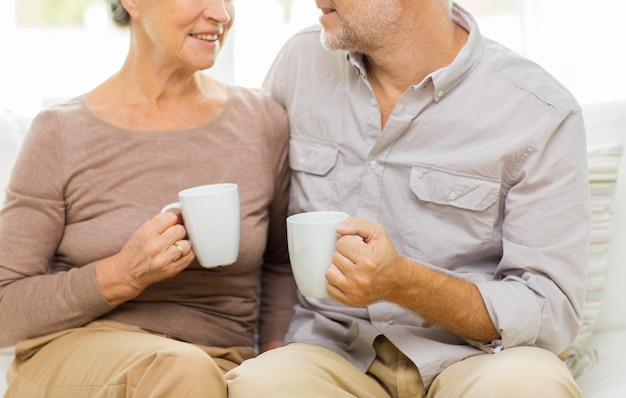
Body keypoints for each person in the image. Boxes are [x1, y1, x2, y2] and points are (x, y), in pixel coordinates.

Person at [226, 1, 590, 397]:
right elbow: (266, 228)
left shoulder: (539, 112)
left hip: (478, 358)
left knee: (528, 387)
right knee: (264, 382)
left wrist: (403, 283)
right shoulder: (300, 62)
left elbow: (550, 310)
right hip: (332, 352)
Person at [0, 0, 297, 396]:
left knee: (196, 372)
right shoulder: (60, 132)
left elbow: (281, 265)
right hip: (77, 355)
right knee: (183, 369)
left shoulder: (262, 121)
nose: (222, 14)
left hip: (214, 362)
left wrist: (276, 356)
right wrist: (122, 274)